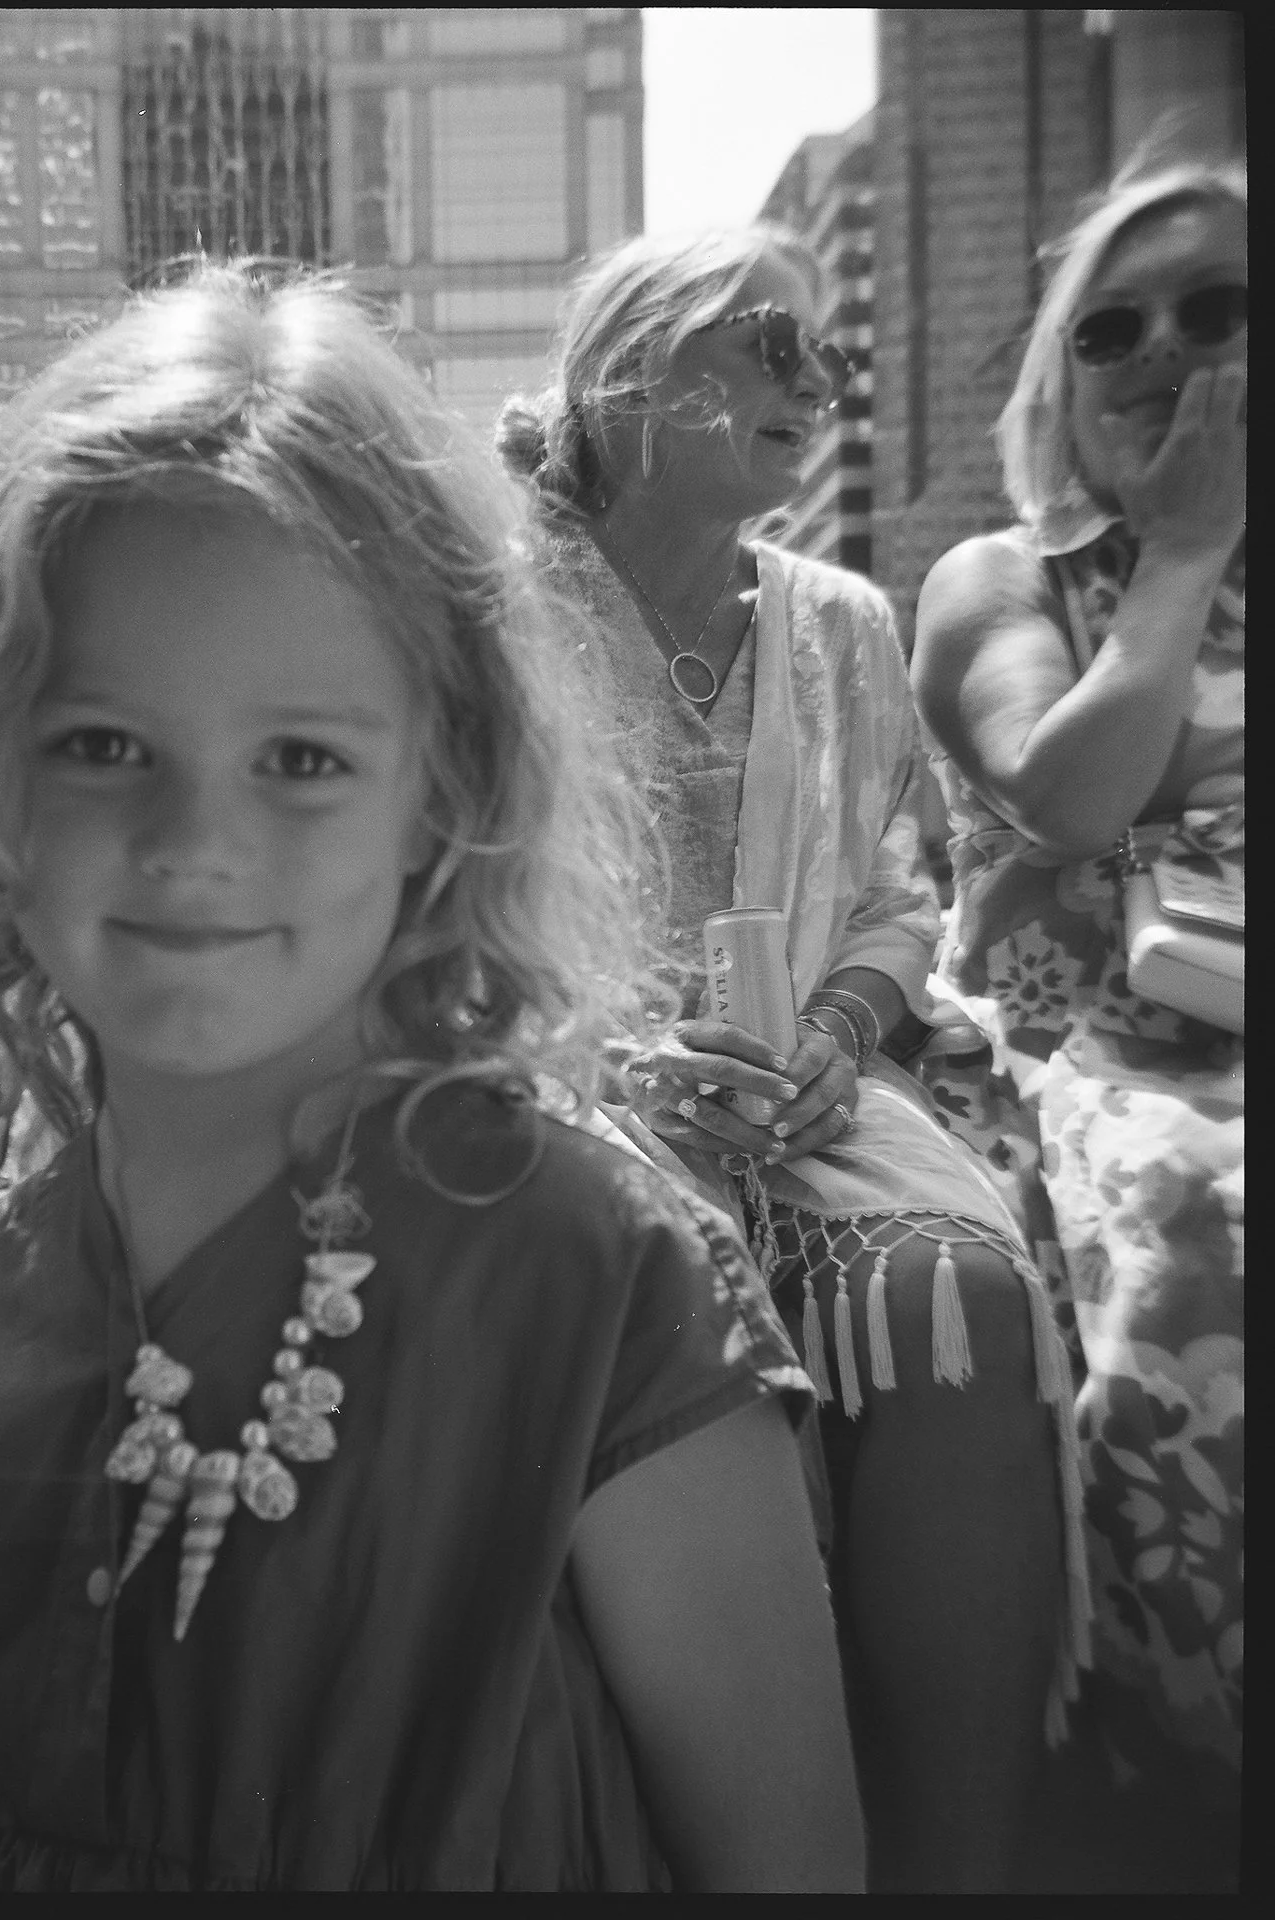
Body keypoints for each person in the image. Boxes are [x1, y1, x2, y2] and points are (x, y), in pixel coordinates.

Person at [0, 263, 863, 1891]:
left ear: (445, 796)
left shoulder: (593, 1284)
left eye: (301, 760)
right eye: (102, 745)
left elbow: (789, 1866)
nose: (194, 844)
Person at [498, 229, 1086, 1893]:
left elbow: (902, 896)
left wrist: (835, 1038)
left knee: (960, 1297)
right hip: (558, 1100)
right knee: (665, 1303)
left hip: (810, 1104)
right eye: (772, 343)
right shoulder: (484, 607)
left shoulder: (844, 623)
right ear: (634, 363)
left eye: (825, 352)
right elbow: (432, 896)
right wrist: (608, 1061)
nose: (815, 383)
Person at [912, 151, 1244, 1861]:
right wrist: (1188, 551)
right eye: (1111, 327)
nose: (1160, 348)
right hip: (1089, 1052)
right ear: (1062, 379)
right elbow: (1068, 795)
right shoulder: (1002, 583)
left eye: (1216, 308)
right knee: (1201, 1225)